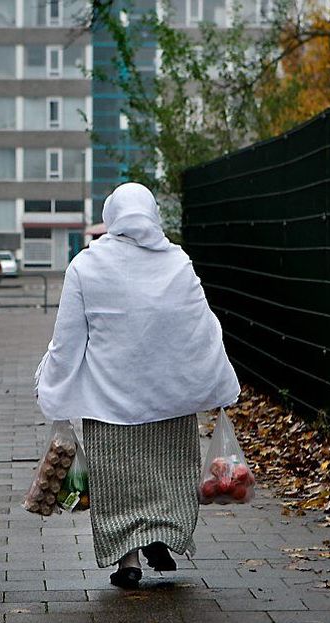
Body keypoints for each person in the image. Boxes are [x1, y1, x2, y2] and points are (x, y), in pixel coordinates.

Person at [35, 182, 240, 588]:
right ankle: (160, 533)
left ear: (112, 217)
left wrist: (52, 383)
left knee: (118, 483)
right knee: (166, 475)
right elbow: (202, 327)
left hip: (109, 402)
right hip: (169, 399)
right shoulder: (177, 262)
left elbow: (69, 339)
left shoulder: (86, 266)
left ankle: (128, 558)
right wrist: (219, 381)